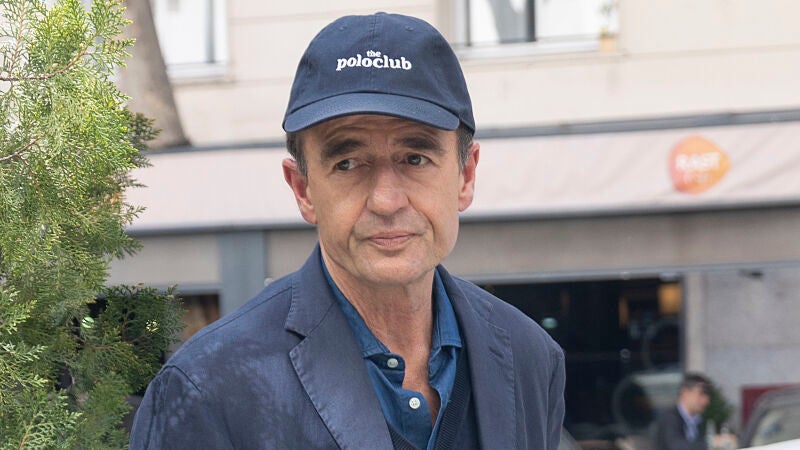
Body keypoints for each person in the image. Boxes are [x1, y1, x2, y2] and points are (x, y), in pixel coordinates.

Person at [130, 12, 565, 449]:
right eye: (348, 163)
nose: (386, 200)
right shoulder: (207, 388)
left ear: (465, 176)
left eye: (415, 159)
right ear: (303, 189)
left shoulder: (530, 357)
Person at [655, 372, 712, 450]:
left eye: (708, 396)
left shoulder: (697, 421)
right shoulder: (669, 418)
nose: (706, 400)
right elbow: (676, 446)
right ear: (685, 392)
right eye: (702, 394)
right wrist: (711, 442)